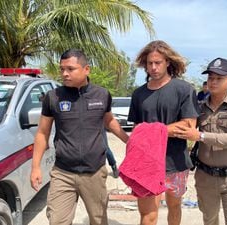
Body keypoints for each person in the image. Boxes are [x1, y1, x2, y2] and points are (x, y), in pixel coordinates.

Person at [30, 49, 129, 225]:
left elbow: (110, 121)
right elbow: (42, 133)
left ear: (86, 69)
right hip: (63, 173)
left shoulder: (102, 94)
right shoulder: (53, 97)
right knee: (57, 221)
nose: (64, 73)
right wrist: (35, 167)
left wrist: (130, 141)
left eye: (70, 69)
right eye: (62, 69)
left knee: (98, 221)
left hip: (94, 172)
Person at [128, 40, 199, 225]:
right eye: (149, 63)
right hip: (146, 162)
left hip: (175, 161)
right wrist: (164, 130)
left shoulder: (184, 89)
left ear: (167, 62)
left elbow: (188, 126)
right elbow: (136, 131)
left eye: (158, 62)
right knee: (148, 216)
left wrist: (150, 131)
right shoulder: (138, 94)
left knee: (174, 207)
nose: (153, 67)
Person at [176, 57, 227, 225]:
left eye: (219, 78)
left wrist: (201, 136)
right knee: (209, 221)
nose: (213, 82)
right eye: (211, 78)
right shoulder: (198, 107)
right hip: (205, 178)